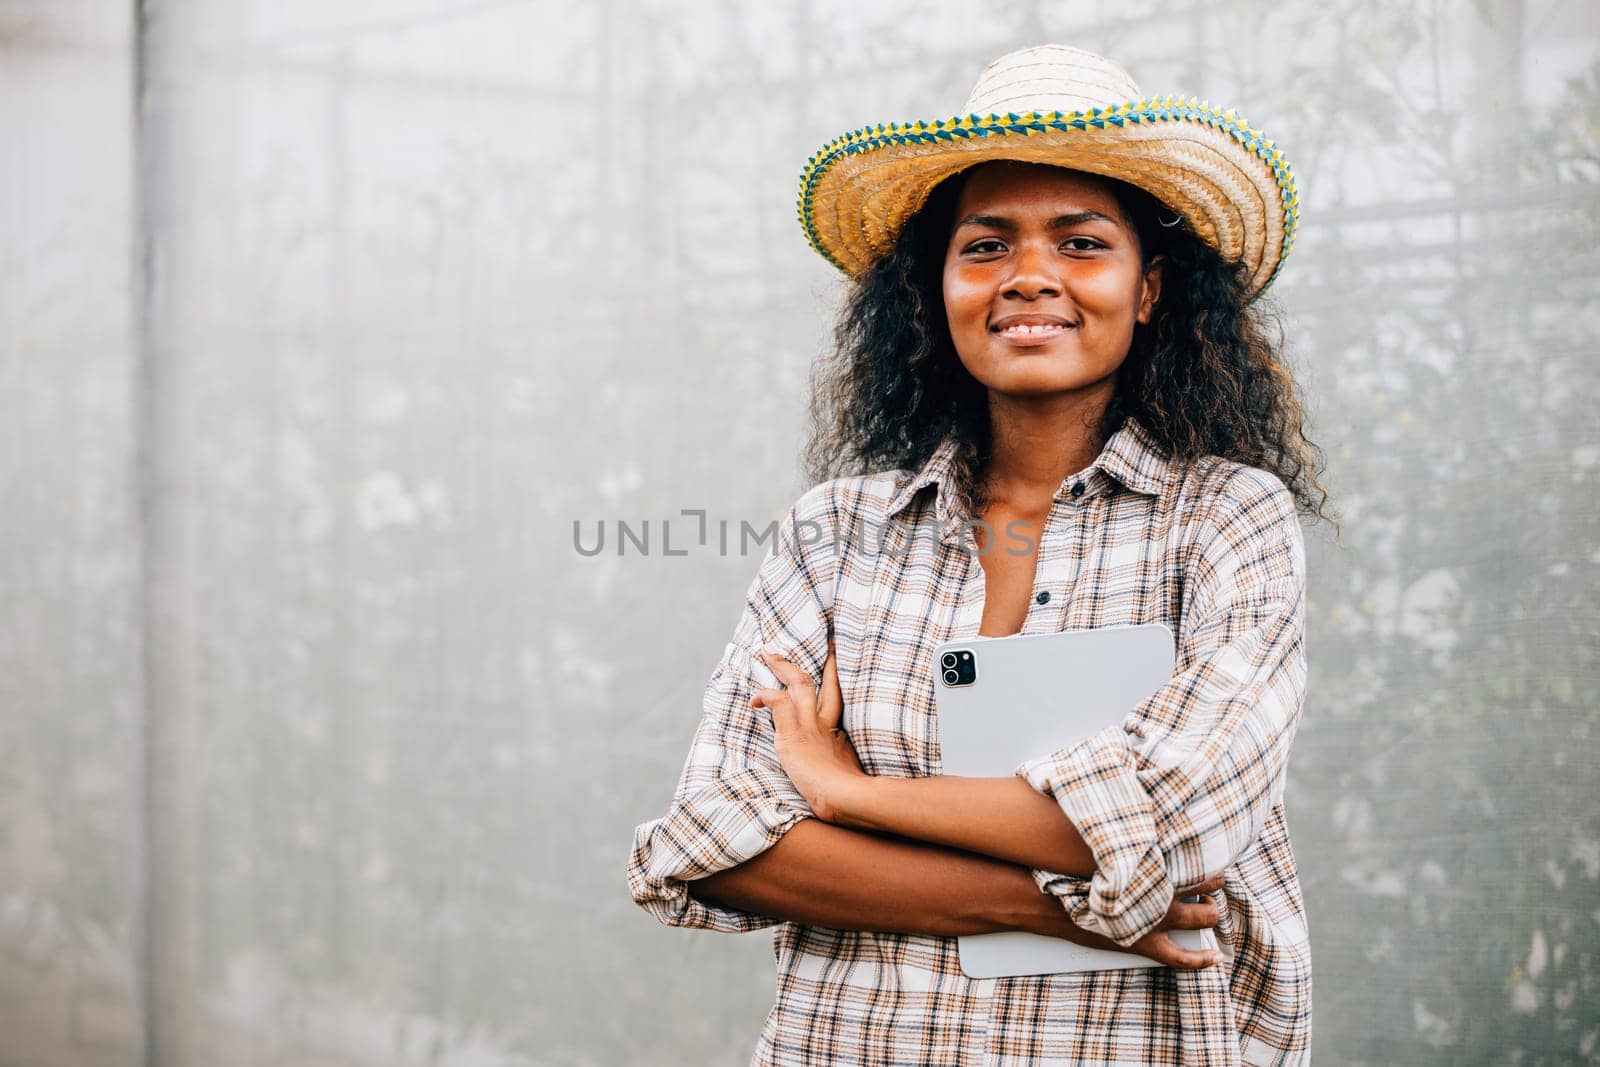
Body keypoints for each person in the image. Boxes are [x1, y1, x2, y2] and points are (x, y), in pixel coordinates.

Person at [626, 43, 1332, 1066]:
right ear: (937, 290)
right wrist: (1053, 906)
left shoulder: (1223, 519)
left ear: (1149, 291)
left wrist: (846, 794)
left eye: (1083, 243)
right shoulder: (834, 534)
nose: (1029, 276)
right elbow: (714, 837)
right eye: (986, 245)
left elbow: (1181, 817)